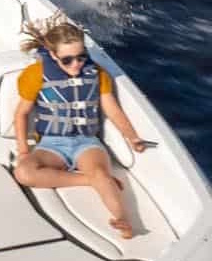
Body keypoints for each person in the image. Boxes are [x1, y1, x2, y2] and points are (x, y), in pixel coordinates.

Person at [11, 12, 150, 239]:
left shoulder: (97, 74)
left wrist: (132, 137)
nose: (76, 64)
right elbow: (21, 114)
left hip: (87, 143)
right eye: (67, 60)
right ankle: (90, 180)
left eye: (81, 57)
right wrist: (24, 151)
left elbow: (113, 110)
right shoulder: (35, 75)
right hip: (51, 144)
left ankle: (122, 219)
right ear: (53, 55)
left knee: (100, 172)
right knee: (24, 173)